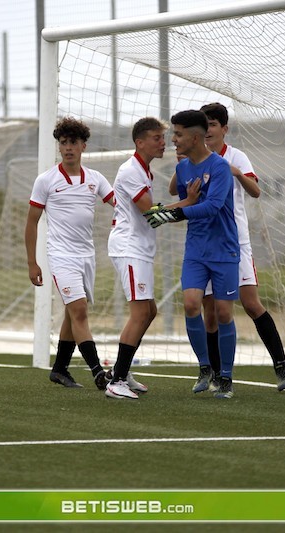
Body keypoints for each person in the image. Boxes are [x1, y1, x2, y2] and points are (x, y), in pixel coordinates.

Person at [172, 102, 285, 392]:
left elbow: (255, 191)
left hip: (234, 241)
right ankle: (215, 373)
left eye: (214, 124)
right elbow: (174, 189)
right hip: (203, 243)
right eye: (206, 124)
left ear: (224, 129)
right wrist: (182, 161)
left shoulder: (234, 157)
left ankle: (281, 367)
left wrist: (236, 172)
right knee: (209, 311)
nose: (210, 129)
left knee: (250, 304)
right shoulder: (192, 156)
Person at [145, 109, 240, 399]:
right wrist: (171, 206)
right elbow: (181, 194)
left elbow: (211, 207)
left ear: (195, 137)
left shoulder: (221, 167)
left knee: (223, 313)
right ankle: (205, 368)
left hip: (223, 249)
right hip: (196, 249)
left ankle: (226, 377)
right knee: (190, 304)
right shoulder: (184, 168)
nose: (173, 139)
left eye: (178, 134)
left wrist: (171, 215)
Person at [105, 117, 200, 400]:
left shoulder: (144, 171)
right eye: (158, 138)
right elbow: (154, 215)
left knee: (150, 311)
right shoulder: (131, 171)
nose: (164, 143)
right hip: (129, 248)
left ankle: (121, 372)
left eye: (164, 137)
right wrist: (188, 203)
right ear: (140, 142)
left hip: (140, 248)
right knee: (139, 313)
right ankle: (116, 381)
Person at [25, 116, 115, 389]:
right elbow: (31, 222)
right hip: (61, 256)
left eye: (73, 142)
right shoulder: (46, 180)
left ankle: (60, 369)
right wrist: (33, 262)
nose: (67, 147)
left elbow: (119, 205)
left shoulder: (96, 179)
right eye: (63, 142)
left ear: (83, 146)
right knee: (79, 310)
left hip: (87, 256)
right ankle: (98, 371)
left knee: (72, 313)